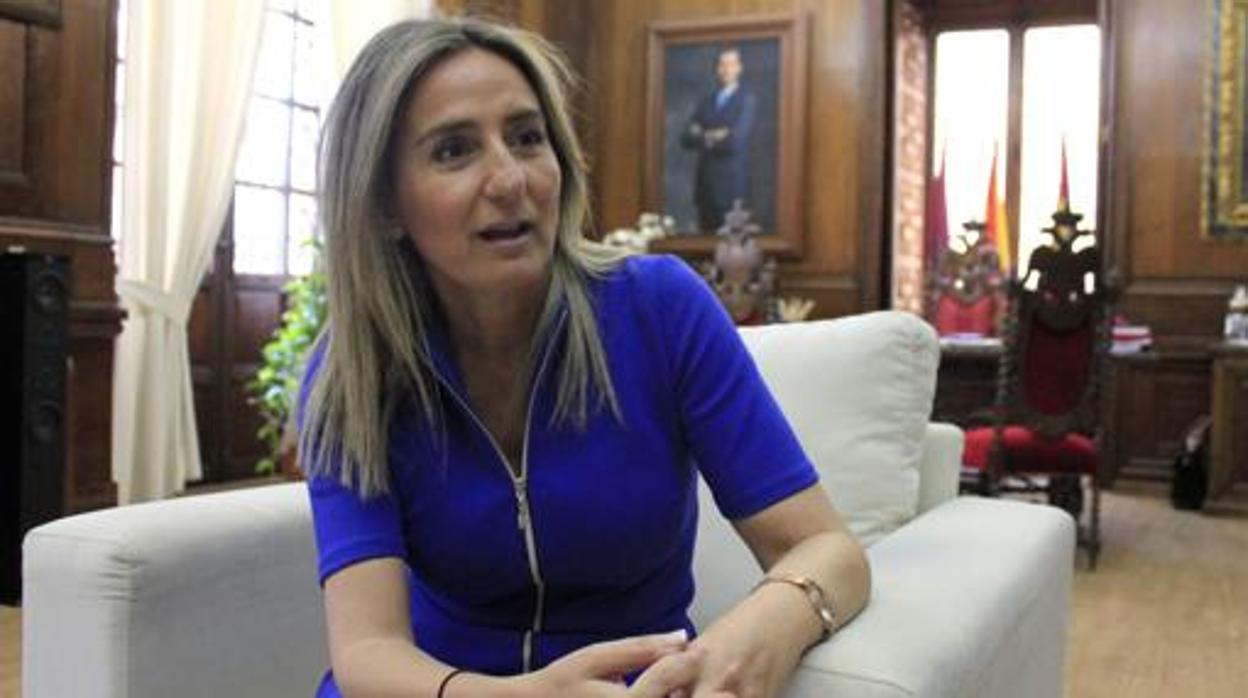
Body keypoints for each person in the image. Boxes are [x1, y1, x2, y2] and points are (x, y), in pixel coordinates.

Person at [299, 17, 870, 698]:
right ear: (384, 204)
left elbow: (830, 551)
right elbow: (367, 649)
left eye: (526, 137)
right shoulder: (354, 370)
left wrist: (767, 622)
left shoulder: (660, 310)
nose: (510, 178)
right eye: (454, 150)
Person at [680, 47, 757, 232]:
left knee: (730, 244)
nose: (726, 70)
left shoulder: (746, 100)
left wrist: (702, 134)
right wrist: (714, 135)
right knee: (704, 240)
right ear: (716, 69)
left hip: (731, 189)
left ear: (739, 68)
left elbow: (734, 142)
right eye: (722, 65)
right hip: (705, 187)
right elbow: (686, 138)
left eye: (730, 64)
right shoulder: (706, 101)